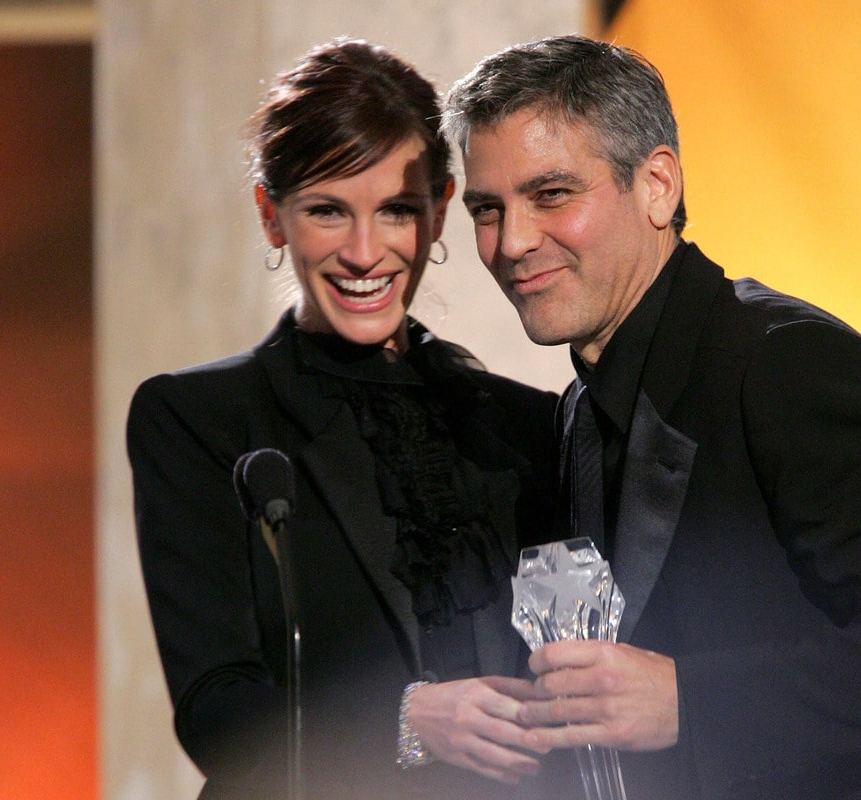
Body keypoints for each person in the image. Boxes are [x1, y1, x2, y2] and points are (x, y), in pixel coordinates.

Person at [443, 34, 861, 800]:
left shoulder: (787, 364)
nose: (512, 242)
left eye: (551, 194)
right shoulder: (585, 405)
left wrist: (691, 704)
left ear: (657, 186)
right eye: (488, 209)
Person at [127, 39, 556, 799]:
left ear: (439, 212)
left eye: (396, 211)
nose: (365, 252)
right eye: (328, 211)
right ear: (272, 216)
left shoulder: (531, 428)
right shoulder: (199, 421)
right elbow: (217, 717)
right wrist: (407, 721)